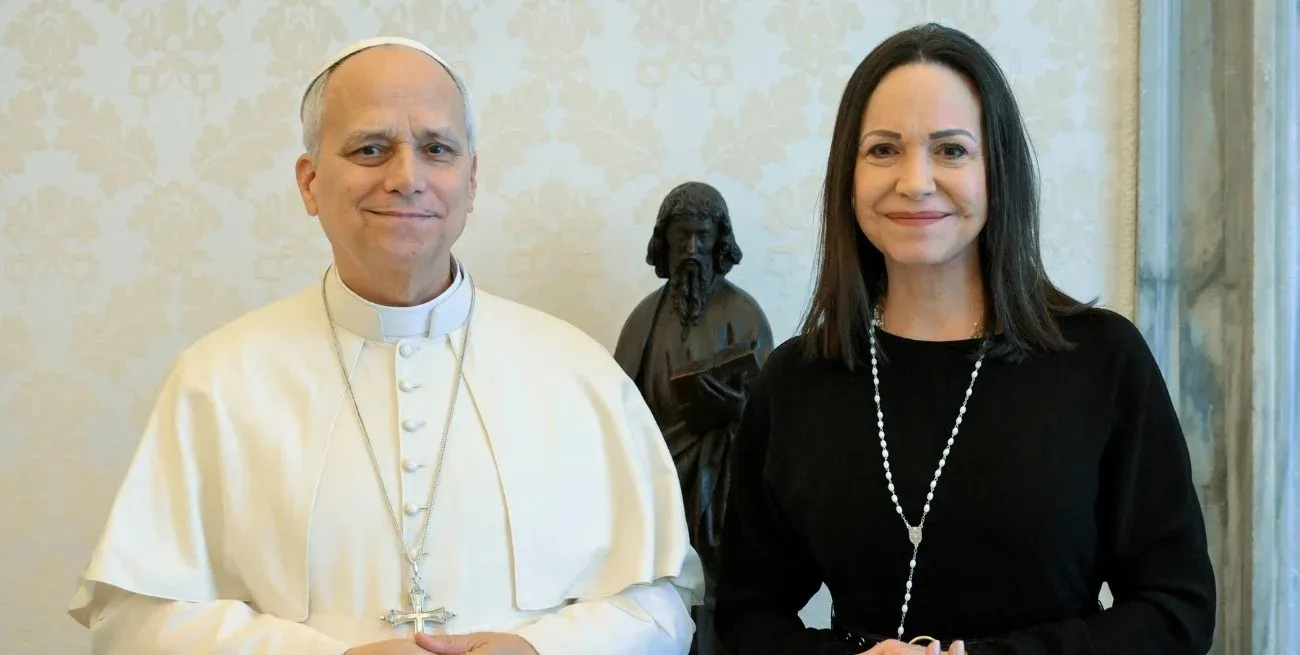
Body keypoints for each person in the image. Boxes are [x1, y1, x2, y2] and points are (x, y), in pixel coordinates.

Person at [67, 36, 704, 655]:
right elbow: (132, 621)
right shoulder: (217, 379)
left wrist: (540, 651)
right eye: (371, 149)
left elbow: (661, 606)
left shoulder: (577, 372)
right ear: (310, 182)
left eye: (437, 149)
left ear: (472, 180)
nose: (407, 177)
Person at [712, 22, 1216, 655]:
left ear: (997, 171)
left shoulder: (1103, 360)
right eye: (884, 150)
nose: (916, 181)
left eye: (951, 150)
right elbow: (745, 614)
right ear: (848, 173)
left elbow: (1177, 610)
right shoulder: (795, 381)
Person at [613, 180, 775, 655]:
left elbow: (773, 421)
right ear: (664, 241)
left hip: (724, 481)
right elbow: (616, 405)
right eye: (682, 236)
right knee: (662, 594)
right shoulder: (644, 317)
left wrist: (733, 411)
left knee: (722, 598)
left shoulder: (744, 315)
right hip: (657, 478)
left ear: (720, 240)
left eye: (702, 236)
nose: (691, 248)